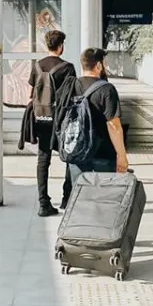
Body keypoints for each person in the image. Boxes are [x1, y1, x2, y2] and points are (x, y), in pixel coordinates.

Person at [56, 48, 129, 193]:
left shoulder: (70, 86)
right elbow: (113, 125)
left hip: (76, 150)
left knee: (79, 195)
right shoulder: (107, 89)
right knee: (104, 196)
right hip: (103, 153)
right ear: (99, 65)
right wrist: (122, 155)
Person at [27, 30, 77, 217]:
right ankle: (66, 198)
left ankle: (43, 203)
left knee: (43, 159)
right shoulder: (68, 67)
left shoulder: (37, 66)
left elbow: (30, 95)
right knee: (69, 156)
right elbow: (73, 95)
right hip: (61, 118)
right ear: (61, 46)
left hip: (41, 117)